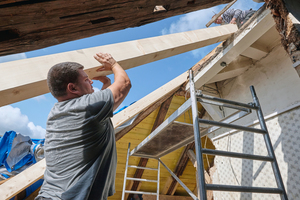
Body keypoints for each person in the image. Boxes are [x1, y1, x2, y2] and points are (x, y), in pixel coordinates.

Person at [35, 52, 131, 200]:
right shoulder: (87, 107)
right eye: (86, 80)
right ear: (72, 88)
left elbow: (95, 111)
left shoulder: (58, 111)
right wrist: (112, 64)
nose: (91, 82)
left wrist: (106, 84)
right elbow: (124, 84)